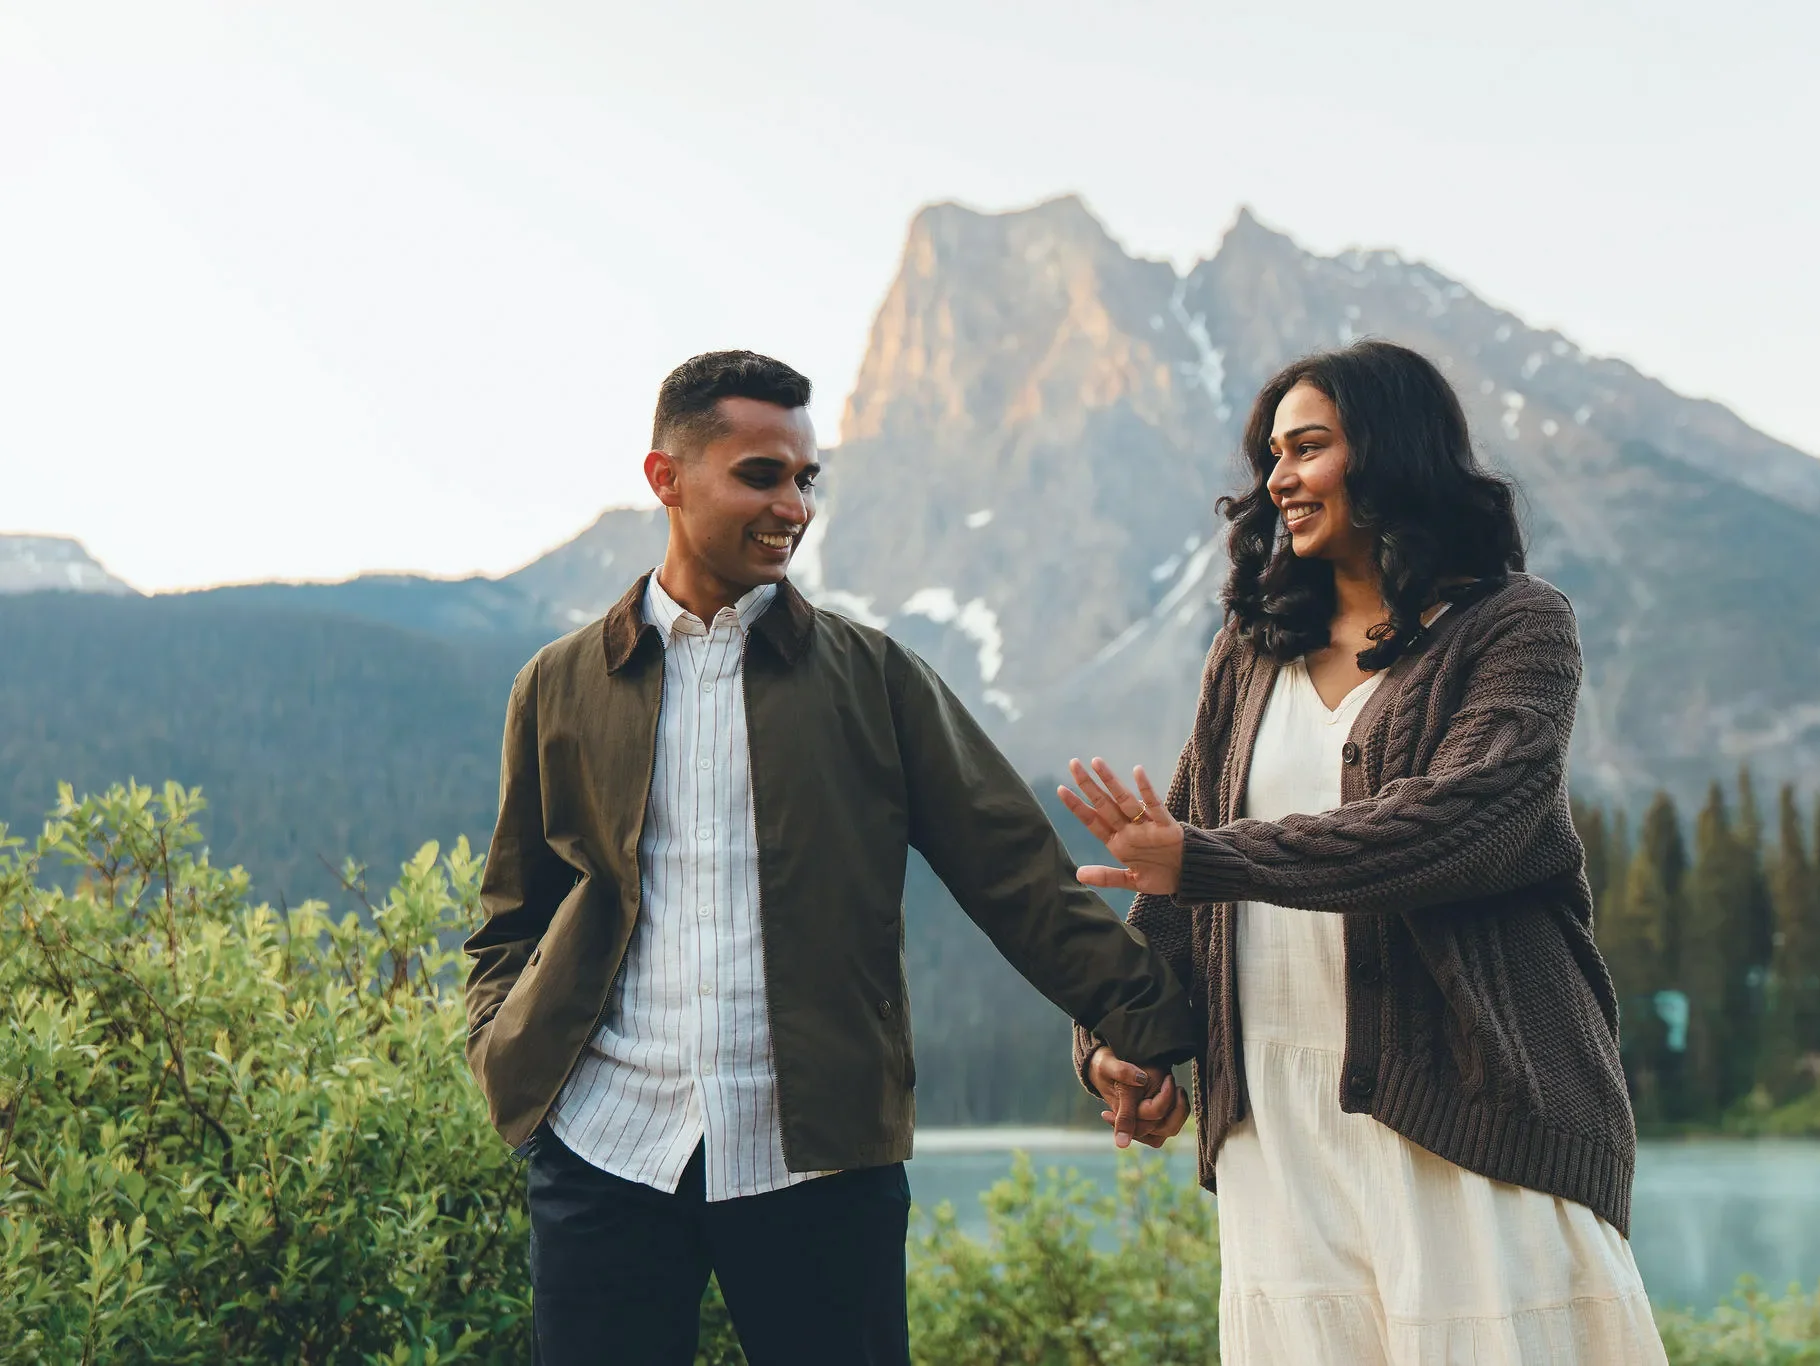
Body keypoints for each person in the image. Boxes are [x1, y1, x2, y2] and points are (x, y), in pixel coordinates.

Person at [463, 350, 1200, 1366]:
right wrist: (503, 1046)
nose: (793, 506)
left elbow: (1017, 879)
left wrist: (1156, 1028)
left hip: (819, 1162)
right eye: (759, 474)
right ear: (665, 479)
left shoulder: (876, 678)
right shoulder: (557, 684)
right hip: (603, 1151)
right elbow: (514, 913)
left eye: (806, 478)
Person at [1062, 341, 1666, 1364]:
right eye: (1269, 456)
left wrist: (1203, 858)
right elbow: (1173, 896)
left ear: (1387, 454)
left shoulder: (1513, 628)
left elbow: (1462, 822)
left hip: (1466, 1105)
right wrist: (1118, 1048)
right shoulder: (1248, 655)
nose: (1278, 479)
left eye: (1306, 447)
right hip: (1275, 1132)